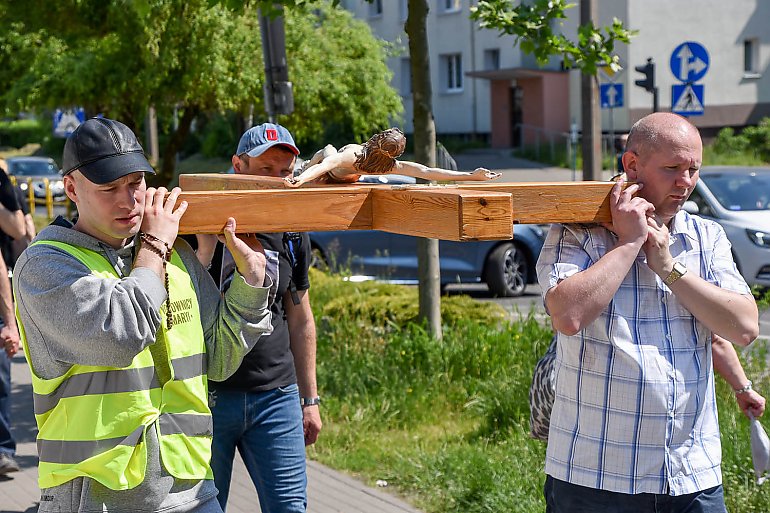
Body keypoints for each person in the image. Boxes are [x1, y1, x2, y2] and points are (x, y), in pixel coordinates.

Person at [13, 117, 275, 513]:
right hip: (98, 499)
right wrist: (153, 245)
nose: (128, 200)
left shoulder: (174, 254)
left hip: (192, 491)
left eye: (135, 183)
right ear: (71, 188)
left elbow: (218, 360)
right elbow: (121, 335)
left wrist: (251, 285)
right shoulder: (46, 266)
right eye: (109, 188)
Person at [536, 112, 760, 512]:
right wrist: (629, 243)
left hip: (692, 474)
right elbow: (567, 316)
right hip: (597, 478)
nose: (686, 182)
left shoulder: (706, 236)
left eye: (694, 169)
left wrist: (667, 266)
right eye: (672, 168)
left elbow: (743, 328)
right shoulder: (577, 230)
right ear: (632, 164)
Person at [193, 122, 319, 512]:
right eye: (266, 171)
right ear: (237, 166)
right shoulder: (198, 228)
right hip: (207, 398)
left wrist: (309, 398)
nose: (278, 183)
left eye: (285, 173)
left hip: (276, 397)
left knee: (290, 508)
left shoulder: (292, 231)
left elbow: (301, 320)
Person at [285, 127, 500, 187]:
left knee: (328, 149)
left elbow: (326, 163)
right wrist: (472, 175)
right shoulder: (388, 166)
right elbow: (427, 172)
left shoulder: (354, 155)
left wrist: (301, 179)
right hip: (347, 176)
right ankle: (303, 171)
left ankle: (301, 168)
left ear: (377, 139)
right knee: (328, 155)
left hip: (334, 171)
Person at [0, 158, 25, 476]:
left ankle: (2, 450)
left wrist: (9, 320)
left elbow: (19, 229)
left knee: (1, 382)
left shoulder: (2, 182)